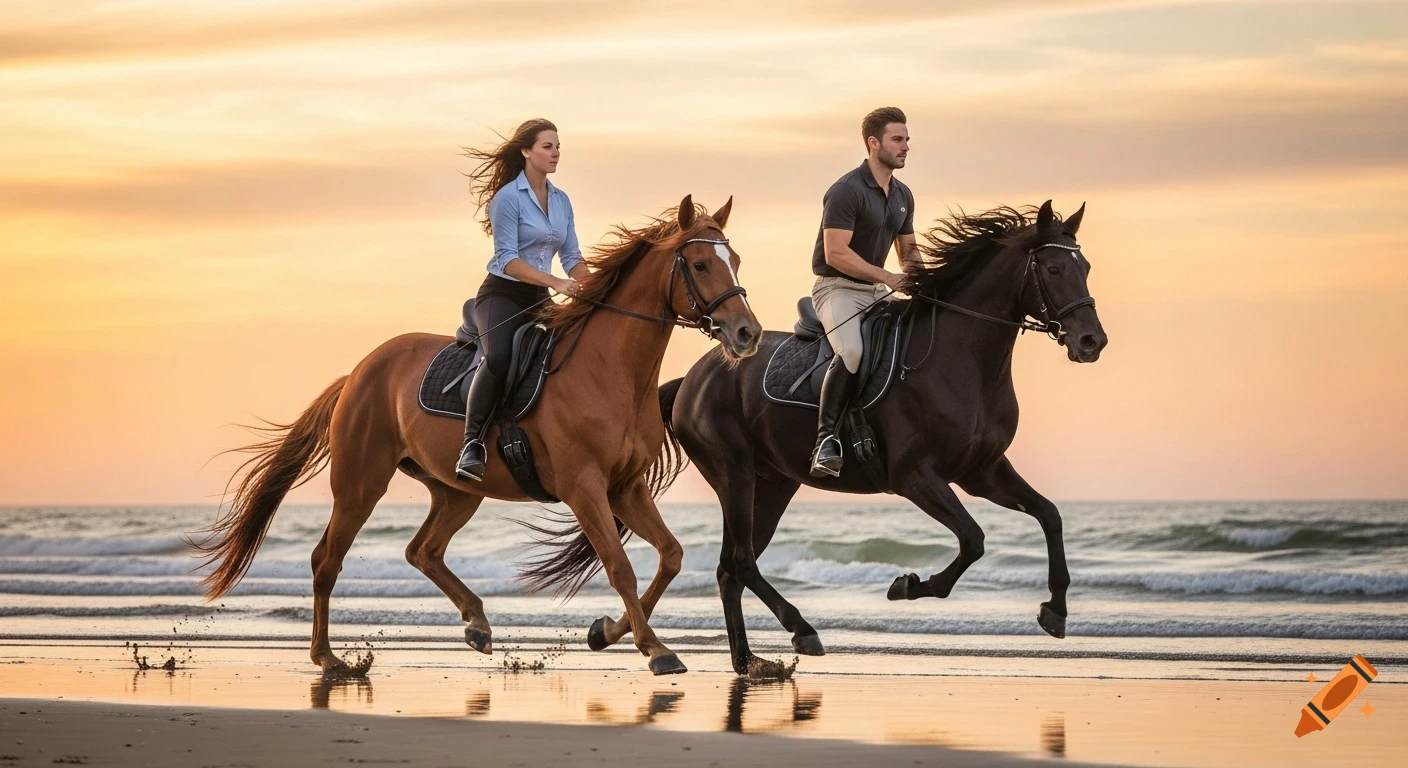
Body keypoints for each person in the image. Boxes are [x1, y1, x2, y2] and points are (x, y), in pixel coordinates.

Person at [456, 119, 589, 482]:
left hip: (540, 297)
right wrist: (556, 283)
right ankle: (472, 444)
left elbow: (573, 256)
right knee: (499, 357)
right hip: (502, 294)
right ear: (526, 151)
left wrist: (594, 289)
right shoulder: (507, 199)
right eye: (547, 146)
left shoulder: (562, 200)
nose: (556, 152)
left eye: (558, 146)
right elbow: (508, 260)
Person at [808, 107, 921, 478]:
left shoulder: (903, 194)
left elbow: (909, 253)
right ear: (874, 143)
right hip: (836, 289)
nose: (906, 146)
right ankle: (826, 440)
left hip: (876, 290)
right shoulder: (846, 190)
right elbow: (835, 253)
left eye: (906, 139)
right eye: (898, 139)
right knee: (853, 350)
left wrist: (928, 282)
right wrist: (888, 276)